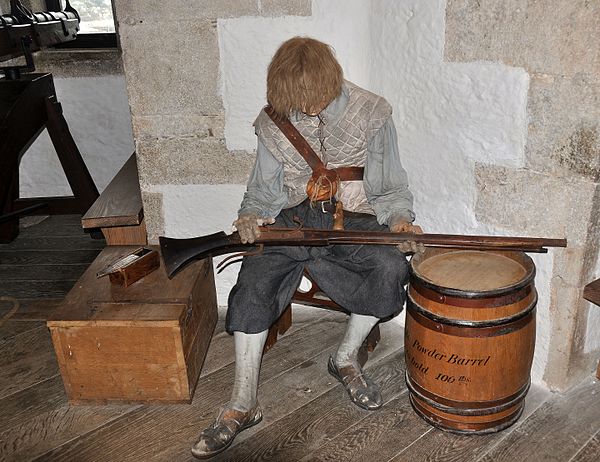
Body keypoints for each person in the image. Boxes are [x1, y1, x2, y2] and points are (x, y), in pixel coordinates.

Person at [191, 36, 422, 459]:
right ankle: (243, 403)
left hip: (352, 220)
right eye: (298, 100)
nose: (309, 107)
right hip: (291, 219)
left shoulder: (371, 111)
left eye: (315, 97)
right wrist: (250, 216)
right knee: (253, 283)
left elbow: (389, 186)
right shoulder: (273, 121)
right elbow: (262, 189)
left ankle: (346, 358)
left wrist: (401, 221)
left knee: (389, 268)